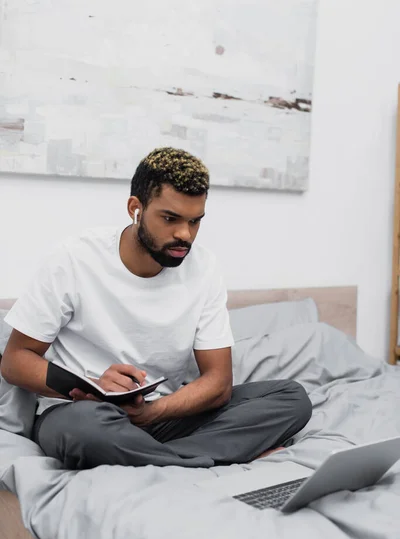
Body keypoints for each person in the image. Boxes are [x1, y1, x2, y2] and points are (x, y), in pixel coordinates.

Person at [0, 147, 312, 469]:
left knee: (291, 399)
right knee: (83, 433)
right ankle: (202, 459)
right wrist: (90, 385)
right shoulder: (74, 259)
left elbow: (218, 383)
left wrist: (151, 413)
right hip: (85, 412)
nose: (184, 234)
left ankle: (160, 457)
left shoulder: (204, 268)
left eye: (195, 221)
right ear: (136, 208)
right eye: (170, 218)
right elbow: (14, 362)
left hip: (162, 415)